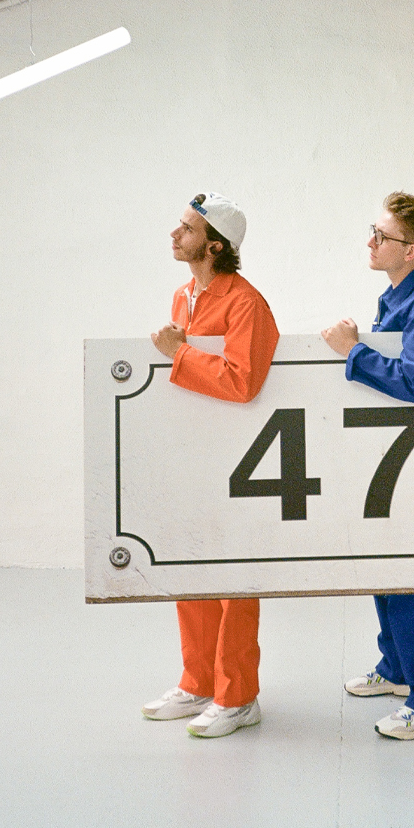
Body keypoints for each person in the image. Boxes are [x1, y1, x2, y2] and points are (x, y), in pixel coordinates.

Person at [321, 191, 414, 741]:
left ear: (411, 251)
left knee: (413, 577)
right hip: (397, 461)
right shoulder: (398, 297)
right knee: (387, 566)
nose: (371, 242)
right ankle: (398, 668)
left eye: (382, 236)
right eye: (374, 230)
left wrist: (352, 352)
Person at [140, 192, 279, 738]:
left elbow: (243, 382)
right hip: (194, 457)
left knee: (232, 580)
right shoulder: (183, 296)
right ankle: (197, 683)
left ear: (215, 245)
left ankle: (238, 697)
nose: (175, 235)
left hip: (240, 463)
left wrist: (178, 353)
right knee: (191, 567)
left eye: (186, 229)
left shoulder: (246, 303)